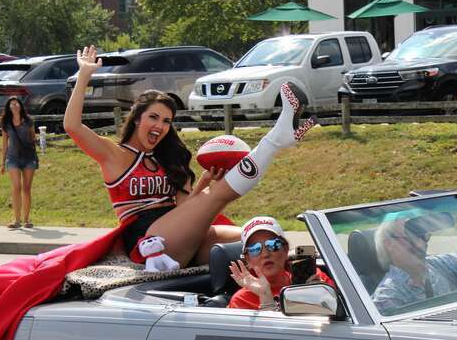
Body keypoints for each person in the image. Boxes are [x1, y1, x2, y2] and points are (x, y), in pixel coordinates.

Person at [64, 45, 316, 272]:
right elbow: (73, 126)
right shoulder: (114, 155)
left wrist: (205, 184)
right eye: (153, 117)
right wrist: (85, 74)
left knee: (263, 240)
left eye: (166, 121)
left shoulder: (169, 159)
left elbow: (185, 210)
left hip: (181, 233)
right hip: (149, 241)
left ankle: (302, 282)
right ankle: (275, 140)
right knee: (218, 196)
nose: (160, 126)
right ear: (137, 117)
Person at [370, 214, 457, 313]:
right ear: (389, 244)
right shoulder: (388, 296)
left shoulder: (435, 265)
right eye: (411, 235)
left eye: (423, 235)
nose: (421, 243)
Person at [228, 216, 334, 310]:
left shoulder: (316, 277)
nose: (265, 254)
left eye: (273, 244)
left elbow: (343, 317)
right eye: (254, 249)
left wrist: (323, 294)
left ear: (286, 249)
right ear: (248, 260)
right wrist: (266, 298)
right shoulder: (242, 300)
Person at [0, 96, 38, 229]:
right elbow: (4, 144)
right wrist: (2, 162)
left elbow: (33, 137)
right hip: (13, 158)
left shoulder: (28, 121)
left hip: (28, 157)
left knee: (26, 189)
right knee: (16, 187)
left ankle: (27, 220)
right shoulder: (6, 123)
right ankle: (16, 220)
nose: (14, 106)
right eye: (12, 104)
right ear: (8, 108)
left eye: (16, 103)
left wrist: (38, 140)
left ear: (21, 106)